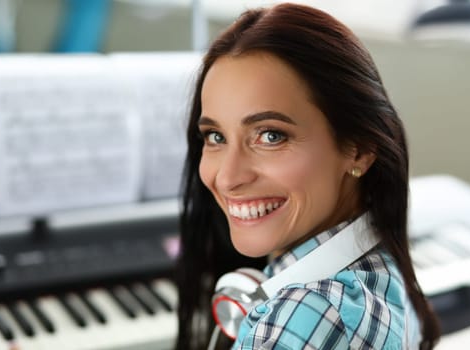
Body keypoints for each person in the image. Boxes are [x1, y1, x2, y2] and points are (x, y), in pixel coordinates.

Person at [175, 2, 441, 350]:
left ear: (359, 150)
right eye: (216, 137)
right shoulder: (379, 264)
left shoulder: (307, 315)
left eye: (271, 135)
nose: (227, 178)